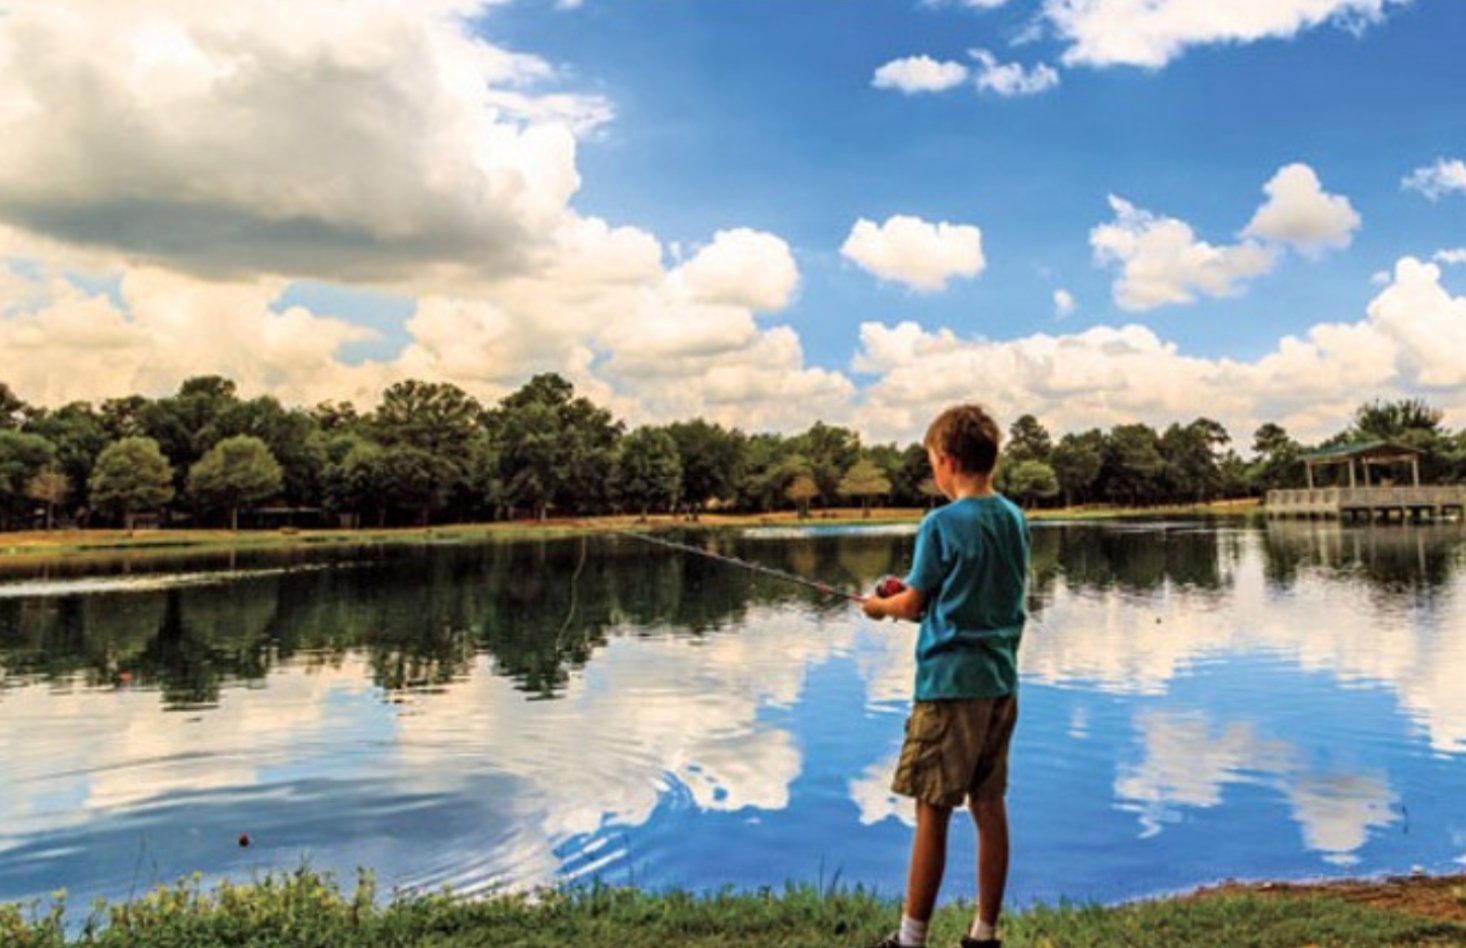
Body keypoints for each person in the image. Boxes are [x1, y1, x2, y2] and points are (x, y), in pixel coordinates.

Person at [861, 404, 1030, 948]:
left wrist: (879, 606)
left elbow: (913, 606)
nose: (933, 468)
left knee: (931, 810)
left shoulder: (939, 523)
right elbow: (964, 589)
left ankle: (911, 939)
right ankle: (985, 932)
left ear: (948, 461)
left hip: (949, 689)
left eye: (932, 459)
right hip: (1000, 684)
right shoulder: (1013, 518)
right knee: (989, 805)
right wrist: (907, 594)